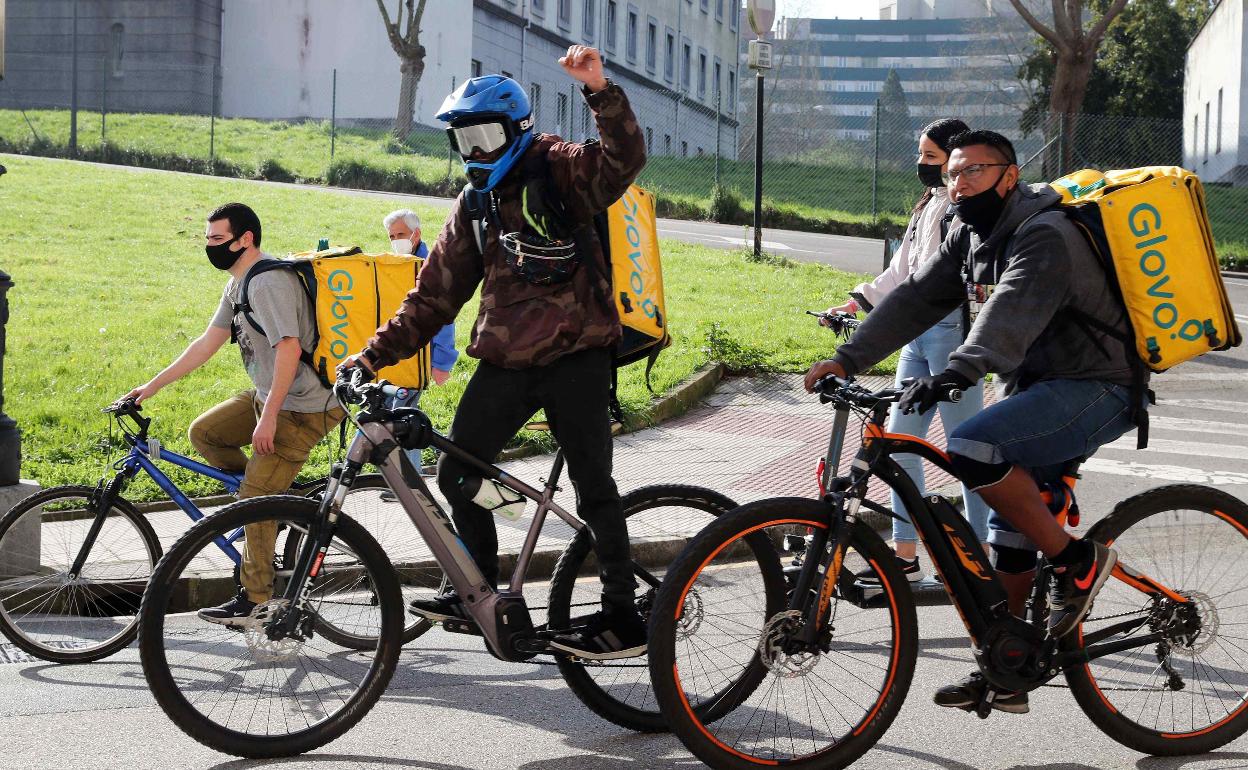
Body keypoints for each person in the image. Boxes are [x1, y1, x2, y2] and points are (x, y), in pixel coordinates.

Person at [804, 130, 1141, 714]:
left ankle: (1078, 561)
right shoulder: (966, 231)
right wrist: (848, 357)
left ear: (1009, 176)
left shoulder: (1046, 234)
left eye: (973, 173)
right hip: (1038, 389)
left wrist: (960, 370)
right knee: (1009, 539)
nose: (958, 185)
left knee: (972, 444)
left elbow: (1010, 312)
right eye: (952, 175)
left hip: (1098, 386)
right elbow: (915, 297)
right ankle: (1008, 672)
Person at [342, 45, 647, 660]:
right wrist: (370, 358)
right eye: (465, 140)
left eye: (486, 135)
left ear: (517, 128)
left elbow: (622, 162)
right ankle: (480, 590)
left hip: (577, 355)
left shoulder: (557, 166)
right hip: (505, 361)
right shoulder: (473, 206)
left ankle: (623, 614)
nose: (477, 151)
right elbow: (432, 298)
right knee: (458, 475)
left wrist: (600, 91)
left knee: (595, 487)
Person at [121, 202, 345, 625]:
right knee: (207, 433)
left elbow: (289, 348)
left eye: (218, 239)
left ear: (246, 239)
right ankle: (280, 507)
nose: (210, 247)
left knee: (254, 499)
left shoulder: (268, 284)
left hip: (302, 407)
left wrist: (269, 416)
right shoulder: (237, 284)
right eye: (207, 239)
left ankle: (256, 599)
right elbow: (207, 342)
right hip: (272, 396)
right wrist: (151, 386)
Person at [821, 118, 989, 585]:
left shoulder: (961, 211)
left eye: (931, 158)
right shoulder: (928, 205)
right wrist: (857, 301)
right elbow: (902, 272)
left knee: (967, 450)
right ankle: (907, 557)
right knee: (898, 447)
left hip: (949, 332)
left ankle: (980, 560)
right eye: (920, 156)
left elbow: (935, 281)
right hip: (915, 336)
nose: (922, 165)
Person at [380, 209, 458, 494]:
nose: (396, 240)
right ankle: (455, 456)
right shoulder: (401, 263)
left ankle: (411, 483)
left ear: (416, 234)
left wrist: (442, 361)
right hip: (405, 358)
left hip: (421, 360)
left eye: (400, 234)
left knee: (402, 417)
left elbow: (445, 320)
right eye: (391, 236)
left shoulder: (428, 267)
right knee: (405, 416)